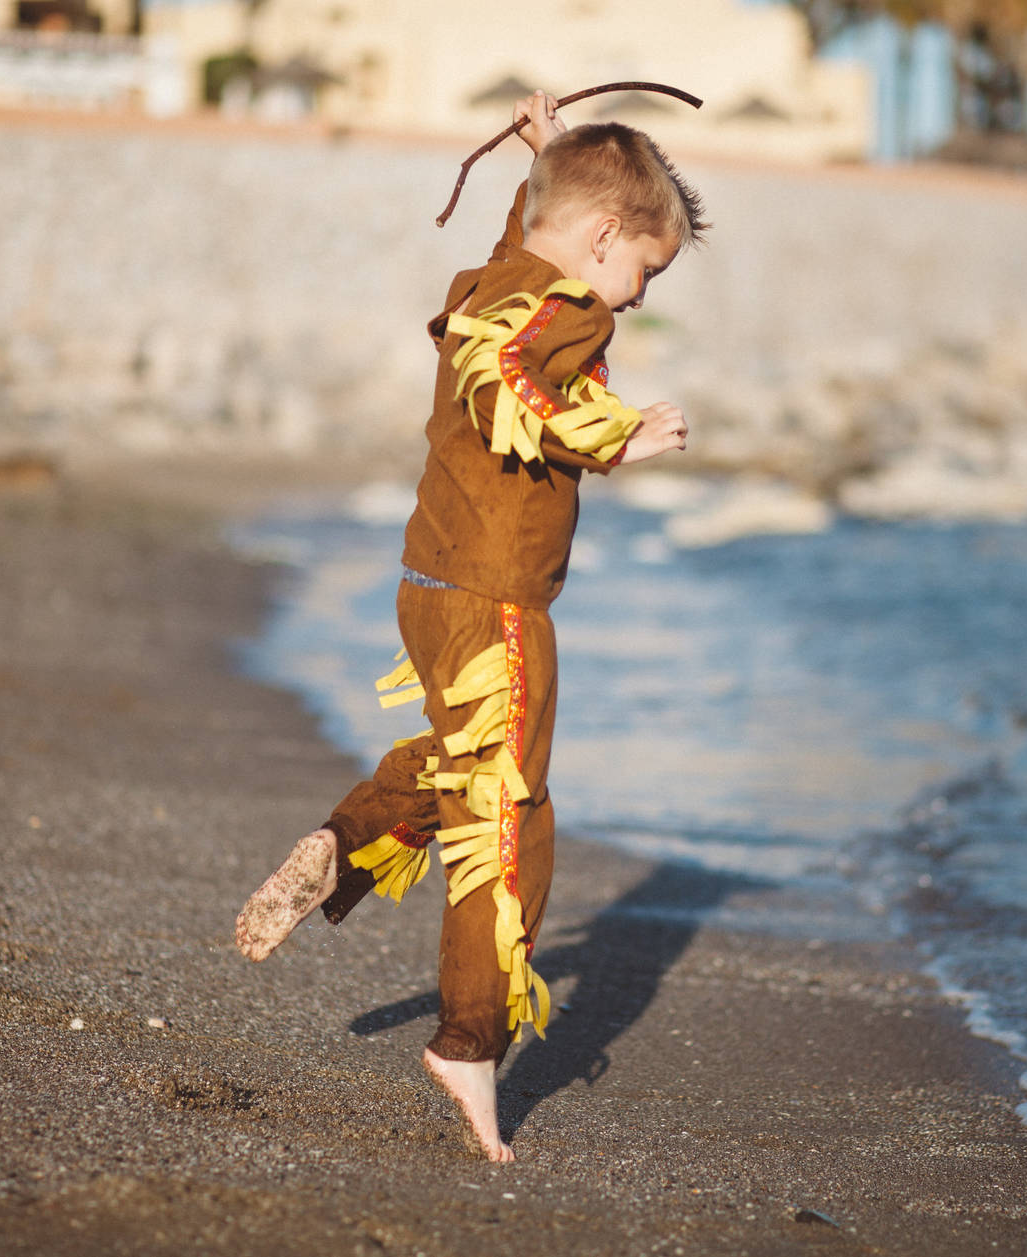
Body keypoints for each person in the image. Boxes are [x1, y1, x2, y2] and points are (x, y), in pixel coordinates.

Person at [233, 90, 707, 1162]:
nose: (630, 302)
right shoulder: (572, 310)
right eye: (642, 271)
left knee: (466, 766)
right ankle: (468, 1040)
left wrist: (542, 167)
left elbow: (512, 289)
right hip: (498, 600)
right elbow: (505, 369)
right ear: (599, 241)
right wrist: (611, 435)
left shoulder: (506, 276)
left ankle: (348, 838)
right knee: (510, 817)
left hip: (429, 581)